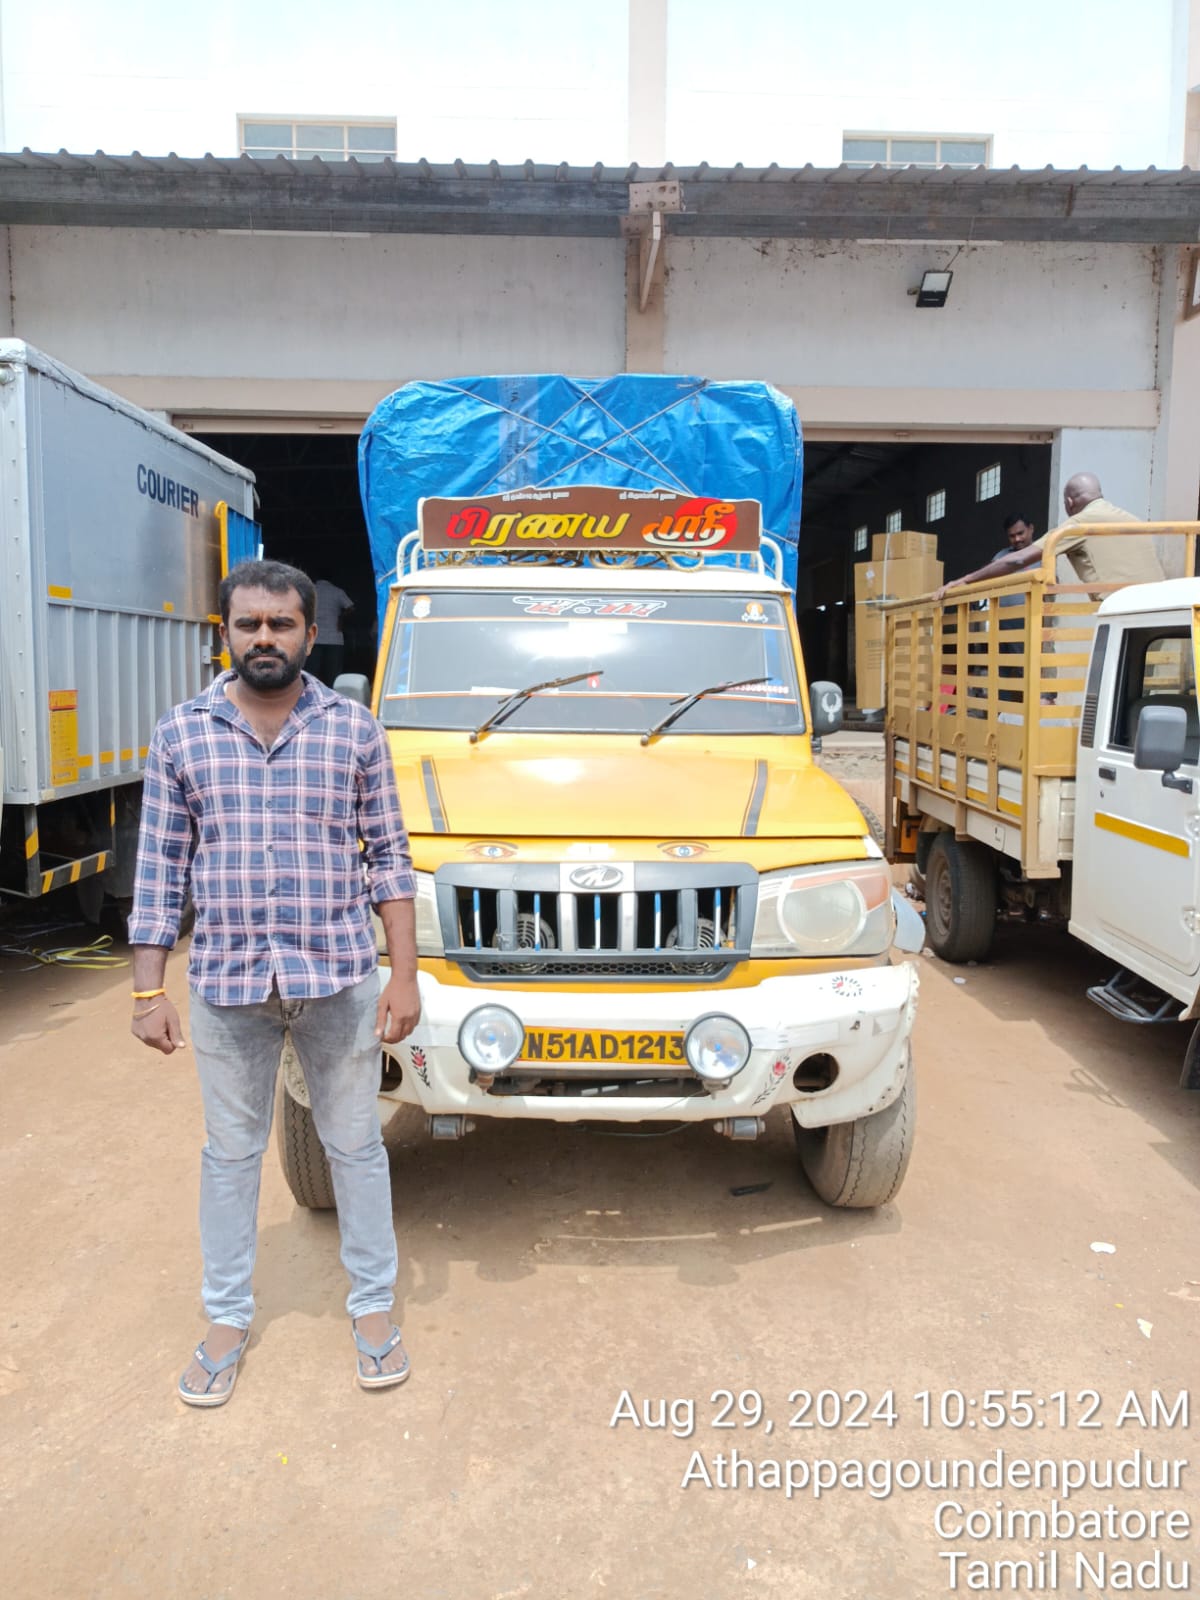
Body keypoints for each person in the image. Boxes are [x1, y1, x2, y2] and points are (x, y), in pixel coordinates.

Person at [127, 558, 420, 1407]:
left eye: (280, 624)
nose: (265, 638)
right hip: (229, 989)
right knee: (230, 1156)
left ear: (310, 634)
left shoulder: (354, 730)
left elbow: (390, 859)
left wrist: (403, 975)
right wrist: (147, 990)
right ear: (224, 634)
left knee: (355, 1147)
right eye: (248, 624)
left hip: (337, 979)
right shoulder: (181, 734)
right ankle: (226, 1319)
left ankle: (372, 1307)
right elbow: (160, 869)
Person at [935, 474, 1163, 600]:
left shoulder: (1078, 524)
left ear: (1069, 502)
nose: (1016, 539)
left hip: (1119, 610)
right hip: (1159, 604)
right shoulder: (1133, 520)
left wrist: (965, 580)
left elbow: (1017, 560)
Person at [308, 576, 355, 685]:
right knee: (333, 675)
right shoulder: (337, 591)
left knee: (312, 673)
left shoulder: (310, 591)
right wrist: (341, 618)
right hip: (334, 639)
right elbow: (351, 607)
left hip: (314, 638)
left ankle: (312, 693)